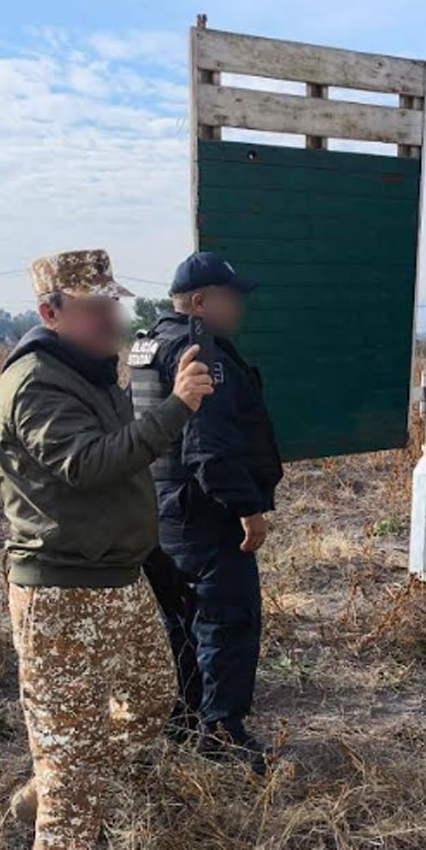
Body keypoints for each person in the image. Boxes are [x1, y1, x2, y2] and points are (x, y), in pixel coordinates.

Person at [0, 249, 214, 849]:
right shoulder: (36, 382)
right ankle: (61, 784)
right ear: (50, 312)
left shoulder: (87, 368)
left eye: (111, 304)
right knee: (75, 794)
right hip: (60, 595)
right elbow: (87, 465)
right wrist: (177, 408)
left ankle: (55, 774)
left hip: (117, 578)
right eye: (93, 309)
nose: (110, 320)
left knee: (147, 700)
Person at [130, 251, 283, 772]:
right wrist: (248, 509)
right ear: (200, 301)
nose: (239, 307)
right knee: (226, 621)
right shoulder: (200, 352)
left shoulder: (147, 345)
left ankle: (186, 719)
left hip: (159, 511)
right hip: (204, 514)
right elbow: (208, 450)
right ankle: (222, 735)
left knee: (182, 621)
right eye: (231, 297)